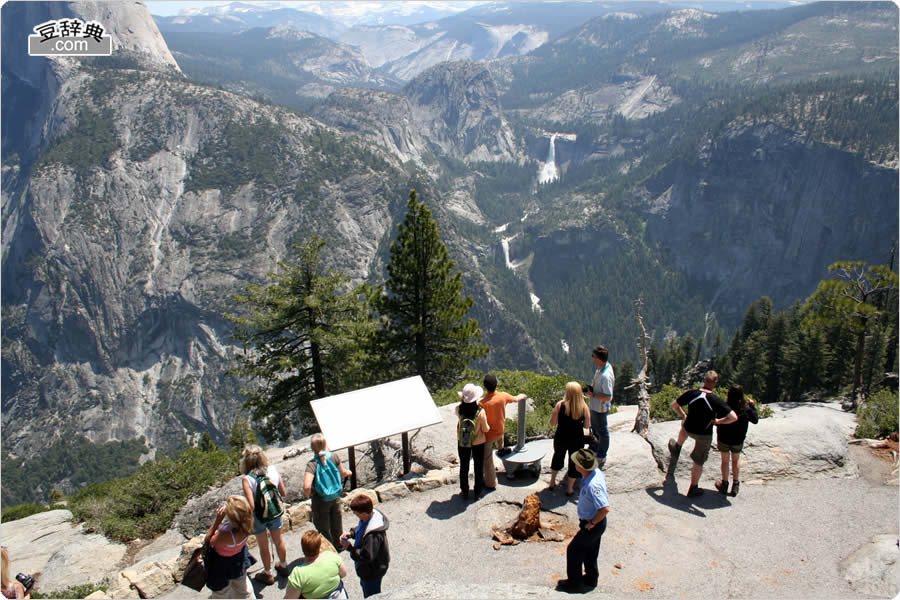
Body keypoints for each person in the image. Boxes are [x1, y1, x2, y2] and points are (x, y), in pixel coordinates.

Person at [668, 371, 738, 497]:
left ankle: (677, 446)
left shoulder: (692, 393)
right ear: (715, 383)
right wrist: (719, 422)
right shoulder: (715, 399)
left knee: (684, 426)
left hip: (689, 428)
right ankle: (693, 487)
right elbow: (733, 417)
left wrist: (684, 415)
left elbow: (675, 405)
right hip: (703, 434)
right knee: (698, 461)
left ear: (704, 380)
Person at [555, 448, 610, 594]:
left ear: (581, 466)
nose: (574, 464)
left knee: (574, 550)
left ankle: (575, 583)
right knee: (590, 551)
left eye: (576, 463)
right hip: (592, 522)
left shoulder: (594, 485)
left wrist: (591, 524)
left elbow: (604, 509)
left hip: (593, 523)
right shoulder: (591, 475)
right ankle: (591, 578)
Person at [240, 445, 289, 584]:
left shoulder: (247, 479)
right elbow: (283, 493)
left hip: (259, 516)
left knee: (263, 545)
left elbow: (252, 505)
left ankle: (268, 573)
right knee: (278, 540)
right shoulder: (272, 469)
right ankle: (284, 565)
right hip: (275, 511)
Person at [304, 434, 353, 549]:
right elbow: (343, 473)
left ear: (312, 448)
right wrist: (349, 472)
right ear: (325, 444)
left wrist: (309, 494)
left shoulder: (312, 464)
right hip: (335, 496)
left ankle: (328, 549)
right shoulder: (334, 457)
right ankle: (340, 545)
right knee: (337, 523)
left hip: (320, 499)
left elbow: (306, 486)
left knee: (322, 526)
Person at [478, 373, 527, 489]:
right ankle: (501, 449)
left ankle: (491, 483)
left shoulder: (482, 403)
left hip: (488, 436)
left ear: (484, 386)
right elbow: (516, 399)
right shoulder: (503, 396)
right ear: (497, 385)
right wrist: (521, 395)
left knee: (488, 460)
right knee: (500, 435)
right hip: (500, 431)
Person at [204, 495, 255, 599]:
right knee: (243, 589)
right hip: (239, 560)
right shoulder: (248, 524)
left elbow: (208, 540)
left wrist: (218, 520)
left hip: (222, 565)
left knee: (221, 594)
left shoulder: (226, 535)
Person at [339, 494, 390, 598]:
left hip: (372, 571)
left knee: (371, 595)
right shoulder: (369, 517)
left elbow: (366, 557)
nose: (355, 515)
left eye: (356, 513)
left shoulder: (373, 535)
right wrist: (353, 533)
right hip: (368, 570)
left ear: (363, 513)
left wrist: (349, 548)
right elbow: (362, 527)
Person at [714, 384, 759, 497]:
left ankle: (724, 484)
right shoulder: (745, 408)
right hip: (738, 439)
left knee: (725, 461)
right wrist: (752, 405)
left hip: (724, 438)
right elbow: (755, 420)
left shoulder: (724, 407)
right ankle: (735, 484)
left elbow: (717, 419)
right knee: (735, 460)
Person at [549, 382, 591, 496]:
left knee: (558, 457)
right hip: (577, 439)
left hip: (561, 437)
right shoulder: (584, 407)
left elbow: (552, 423)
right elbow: (587, 426)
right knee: (574, 463)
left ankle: (552, 482)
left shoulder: (560, 405)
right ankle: (570, 488)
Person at [285, 530, 348, 599]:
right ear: (319, 546)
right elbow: (343, 573)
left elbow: (290, 597)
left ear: (303, 548)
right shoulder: (331, 556)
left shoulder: (298, 573)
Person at [456, 382, 490, 499]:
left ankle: (464, 491)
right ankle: (477, 492)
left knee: (464, 467)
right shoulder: (480, 412)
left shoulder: (459, 410)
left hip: (463, 442)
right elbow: (485, 429)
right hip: (478, 443)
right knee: (478, 467)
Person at [585, 346, 614, 468]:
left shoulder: (605, 376)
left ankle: (601, 455)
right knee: (595, 429)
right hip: (595, 405)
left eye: (594, 356)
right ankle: (594, 447)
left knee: (603, 431)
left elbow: (608, 396)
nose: (592, 358)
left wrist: (593, 395)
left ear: (599, 359)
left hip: (600, 408)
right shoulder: (601, 368)